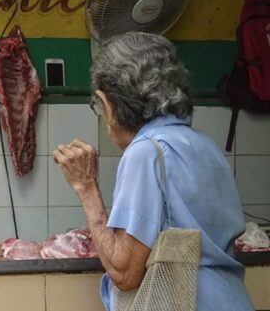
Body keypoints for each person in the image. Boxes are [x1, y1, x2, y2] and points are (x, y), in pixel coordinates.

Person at [53, 32, 254, 311]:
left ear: (108, 103)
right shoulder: (205, 146)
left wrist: (86, 188)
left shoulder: (145, 151)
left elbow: (125, 272)